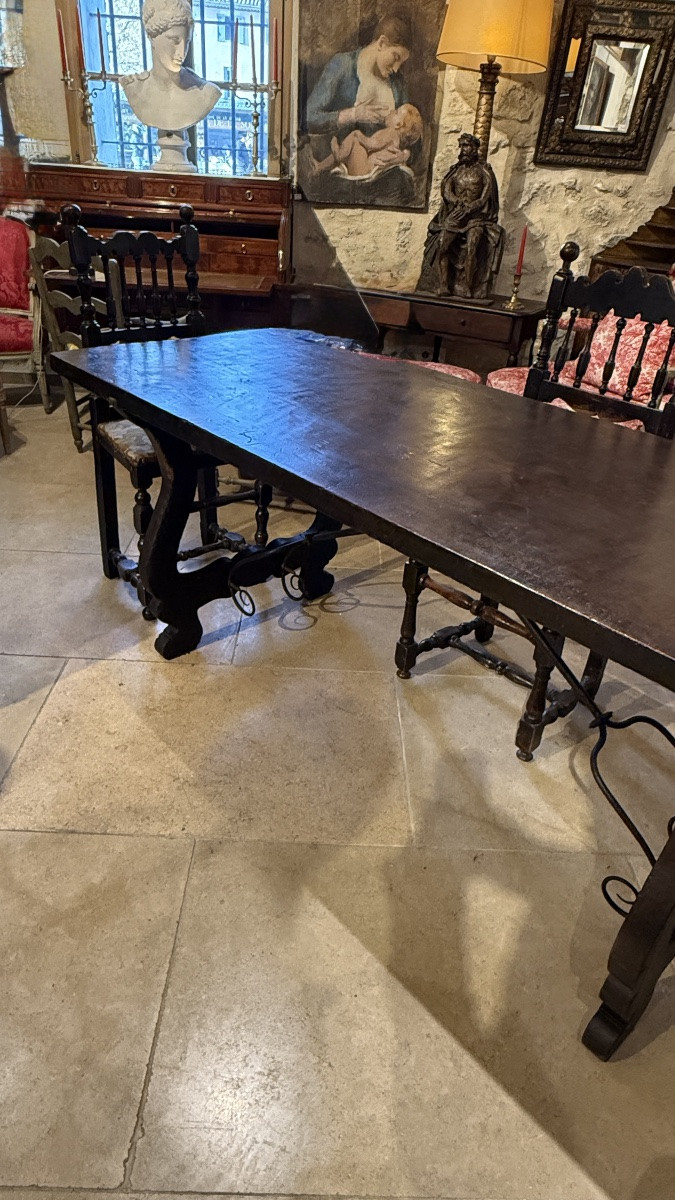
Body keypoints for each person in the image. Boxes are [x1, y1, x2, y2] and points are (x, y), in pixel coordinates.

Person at [418, 133, 505, 300]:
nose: (463, 150)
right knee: (442, 244)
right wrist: (456, 201)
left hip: (475, 218)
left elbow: (486, 196)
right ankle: (443, 284)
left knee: (473, 246)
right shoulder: (455, 171)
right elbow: (446, 190)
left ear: (475, 148)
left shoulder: (484, 172)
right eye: (462, 146)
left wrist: (472, 206)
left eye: (467, 146)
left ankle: (467, 285)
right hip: (456, 215)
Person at [304, 15, 412, 145]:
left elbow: (409, 129)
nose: (396, 68)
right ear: (381, 43)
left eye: (401, 63)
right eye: (396, 57)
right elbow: (309, 118)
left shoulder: (397, 83)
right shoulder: (343, 65)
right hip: (342, 157)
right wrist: (353, 115)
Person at [121, 0, 221, 132]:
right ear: (151, 37)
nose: (182, 52)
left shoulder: (206, 92)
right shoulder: (135, 88)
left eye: (187, 41)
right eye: (175, 40)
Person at [311, 104, 423, 180]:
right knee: (355, 146)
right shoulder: (397, 142)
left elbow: (371, 144)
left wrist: (359, 135)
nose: (392, 111)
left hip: (362, 170)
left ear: (398, 125)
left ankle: (337, 155)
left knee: (355, 139)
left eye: (396, 112)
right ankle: (321, 166)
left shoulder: (390, 133)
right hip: (366, 170)